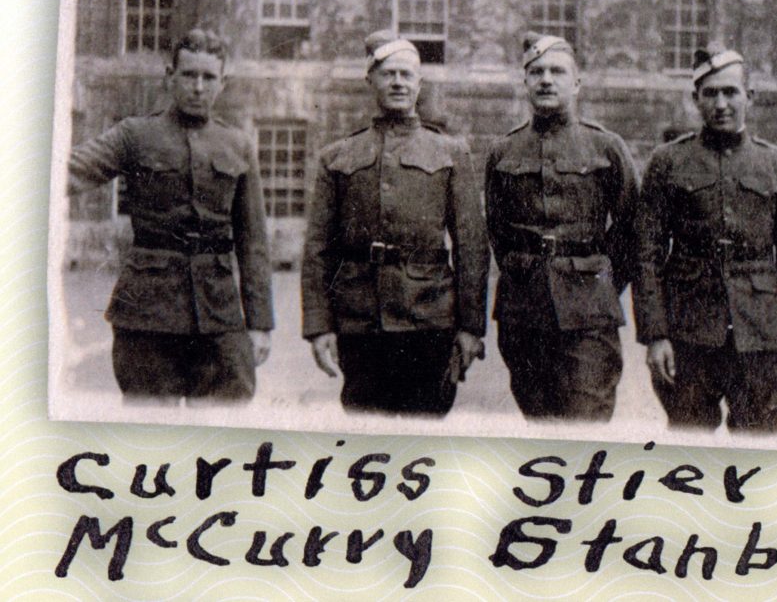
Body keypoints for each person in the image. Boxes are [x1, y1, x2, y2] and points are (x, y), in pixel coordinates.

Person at [67, 29, 274, 403]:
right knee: (147, 430)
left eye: (208, 77)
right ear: (169, 76)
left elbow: (253, 242)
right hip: (147, 313)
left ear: (222, 83)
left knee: (223, 428)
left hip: (218, 314)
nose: (198, 87)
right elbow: (69, 171)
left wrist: (260, 324)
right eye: (189, 75)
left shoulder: (238, 145)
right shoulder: (135, 135)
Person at [301, 31, 489, 416]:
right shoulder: (337, 156)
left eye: (407, 74)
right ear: (370, 80)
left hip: (430, 321)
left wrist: (471, 328)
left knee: (426, 433)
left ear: (420, 83)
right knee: (365, 435)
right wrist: (319, 327)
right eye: (388, 74)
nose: (398, 83)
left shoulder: (451, 152)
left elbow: (471, 246)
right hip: (360, 324)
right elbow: (318, 248)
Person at [633, 48, 777, 432]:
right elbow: (646, 255)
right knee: (687, 448)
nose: (721, 104)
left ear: (749, 97)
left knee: (763, 450)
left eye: (731, 92)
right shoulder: (667, 162)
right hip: (689, 336)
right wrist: (655, 336)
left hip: (762, 337)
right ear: (696, 99)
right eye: (711, 93)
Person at [485, 33, 639, 422]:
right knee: (537, 423)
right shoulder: (503, 152)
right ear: (525, 83)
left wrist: (598, 282)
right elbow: (498, 233)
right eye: (536, 72)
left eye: (557, 71)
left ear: (577, 83)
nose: (546, 80)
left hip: (589, 315)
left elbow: (630, 231)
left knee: (586, 421)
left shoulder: (606, 148)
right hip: (523, 313)